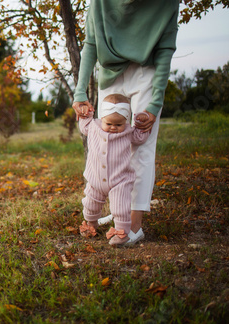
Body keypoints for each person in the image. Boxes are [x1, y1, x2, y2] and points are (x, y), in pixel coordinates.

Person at [72, 0, 179, 245]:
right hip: (110, 74)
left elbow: (165, 49)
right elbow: (90, 43)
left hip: (147, 71)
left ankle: (134, 224)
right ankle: (117, 210)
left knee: (141, 146)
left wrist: (155, 104)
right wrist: (80, 93)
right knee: (106, 144)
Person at [78, 94, 150, 246]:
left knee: (120, 207)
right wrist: (85, 113)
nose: (113, 127)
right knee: (90, 204)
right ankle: (91, 224)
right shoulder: (93, 126)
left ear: (126, 121)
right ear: (101, 118)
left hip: (120, 180)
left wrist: (142, 122)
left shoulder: (128, 132)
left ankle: (121, 232)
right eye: (109, 123)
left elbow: (140, 137)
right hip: (95, 179)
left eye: (118, 125)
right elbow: (83, 124)